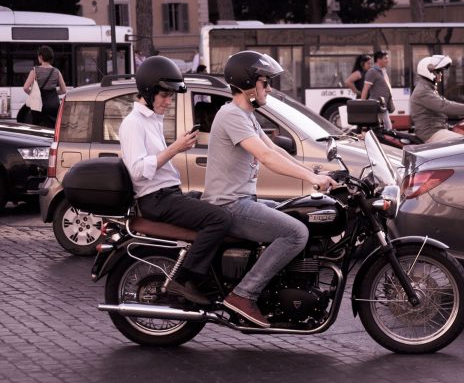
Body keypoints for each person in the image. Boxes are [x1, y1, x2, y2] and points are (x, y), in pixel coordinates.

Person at [202, 50, 336, 328]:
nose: (269, 88)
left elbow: (273, 148)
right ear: (249, 84)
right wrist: (311, 181)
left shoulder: (246, 115)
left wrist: (315, 172)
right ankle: (243, 294)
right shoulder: (231, 115)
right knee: (296, 232)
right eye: (265, 82)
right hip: (229, 205)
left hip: (243, 200)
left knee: (298, 214)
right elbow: (267, 158)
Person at [119, 55, 232, 305]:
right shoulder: (133, 124)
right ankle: (187, 279)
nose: (169, 101)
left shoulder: (151, 121)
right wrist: (175, 149)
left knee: (220, 204)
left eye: (171, 96)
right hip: (156, 200)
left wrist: (175, 146)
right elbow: (138, 170)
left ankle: (218, 278)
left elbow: (155, 161)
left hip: (169, 194)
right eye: (164, 95)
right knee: (219, 219)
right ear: (148, 92)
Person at [410, 55, 464, 144]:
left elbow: (446, 102)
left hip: (437, 129)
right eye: (438, 71)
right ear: (428, 72)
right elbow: (444, 105)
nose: (441, 74)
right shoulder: (423, 91)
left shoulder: (428, 88)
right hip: (430, 132)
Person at [23, 45, 66, 127]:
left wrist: (34, 94)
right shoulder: (56, 71)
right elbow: (63, 90)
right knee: (53, 128)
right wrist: (53, 93)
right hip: (54, 104)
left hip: (39, 105)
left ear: (41, 57)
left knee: (38, 128)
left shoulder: (35, 70)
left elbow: (25, 88)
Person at [361, 50, 394, 129]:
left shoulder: (383, 71)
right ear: (379, 60)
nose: (387, 61)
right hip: (376, 105)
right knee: (386, 127)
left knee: (385, 127)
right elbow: (365, 89)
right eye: (385, 58)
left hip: (383, 105)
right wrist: (362, 104)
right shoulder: (372, 72)